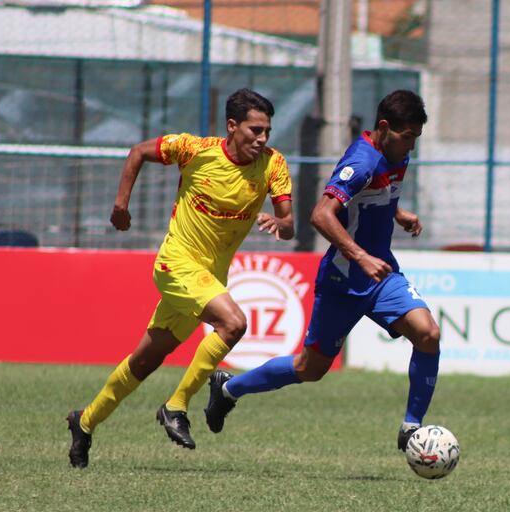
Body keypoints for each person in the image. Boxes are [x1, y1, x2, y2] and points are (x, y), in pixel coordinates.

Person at [66, 88, 294, 468]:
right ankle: (176, 406)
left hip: (208, 278)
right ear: (232, 126)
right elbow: (138, 151)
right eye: (255, 130)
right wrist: (121, 205)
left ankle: (84, 422)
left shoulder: (273, 165)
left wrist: (281, 223)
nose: (262, 138)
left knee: (145, 361)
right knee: (234, 323)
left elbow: (288, 224)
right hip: (177, 263)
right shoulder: (195, 150)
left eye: (267, 131)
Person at [203, 90, 440, 452]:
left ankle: (411, 429)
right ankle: (227, 388)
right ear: (383, 127)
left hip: (381, 275)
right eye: (407, 137)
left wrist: (397, 213)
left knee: (428, 335)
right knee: (309, 368)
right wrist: (360, 256)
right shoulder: (360, 162)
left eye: (415, 140)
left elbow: (371, 196)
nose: (410, 147)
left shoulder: (396, 154)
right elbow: (320, 215)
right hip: (344, 279)